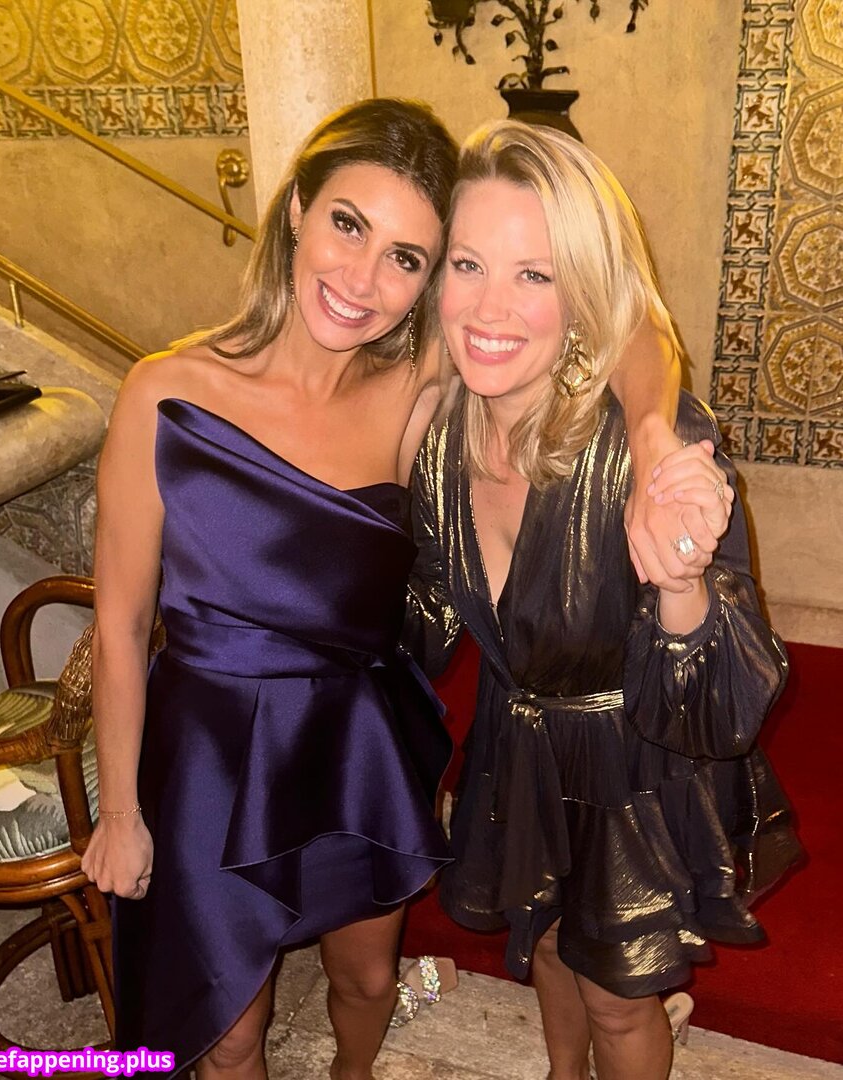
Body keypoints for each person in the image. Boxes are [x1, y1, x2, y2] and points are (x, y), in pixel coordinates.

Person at [82, 99, 693, 1080]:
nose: (362, 280)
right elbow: (117, 625)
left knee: (366, 984)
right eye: (347, 224)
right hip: (208, 753)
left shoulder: (420, 386)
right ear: (297, 210)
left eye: (406, 257)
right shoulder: (165, 392)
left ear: (429, 281)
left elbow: (629, 323)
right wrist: (120, 812)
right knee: (228, 1034)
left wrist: (655, 434)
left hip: (351, 746)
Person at [404, 120, 802, 1080]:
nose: (489, 306)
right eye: (467, 264)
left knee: (619, 998)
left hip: (637, 765)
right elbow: (424, 619)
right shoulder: (435, 436)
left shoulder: (646, 448)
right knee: (543, 943)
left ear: (583, 294)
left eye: (534, 275)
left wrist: (681, 582)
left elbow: (720, 710)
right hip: (518, 744)